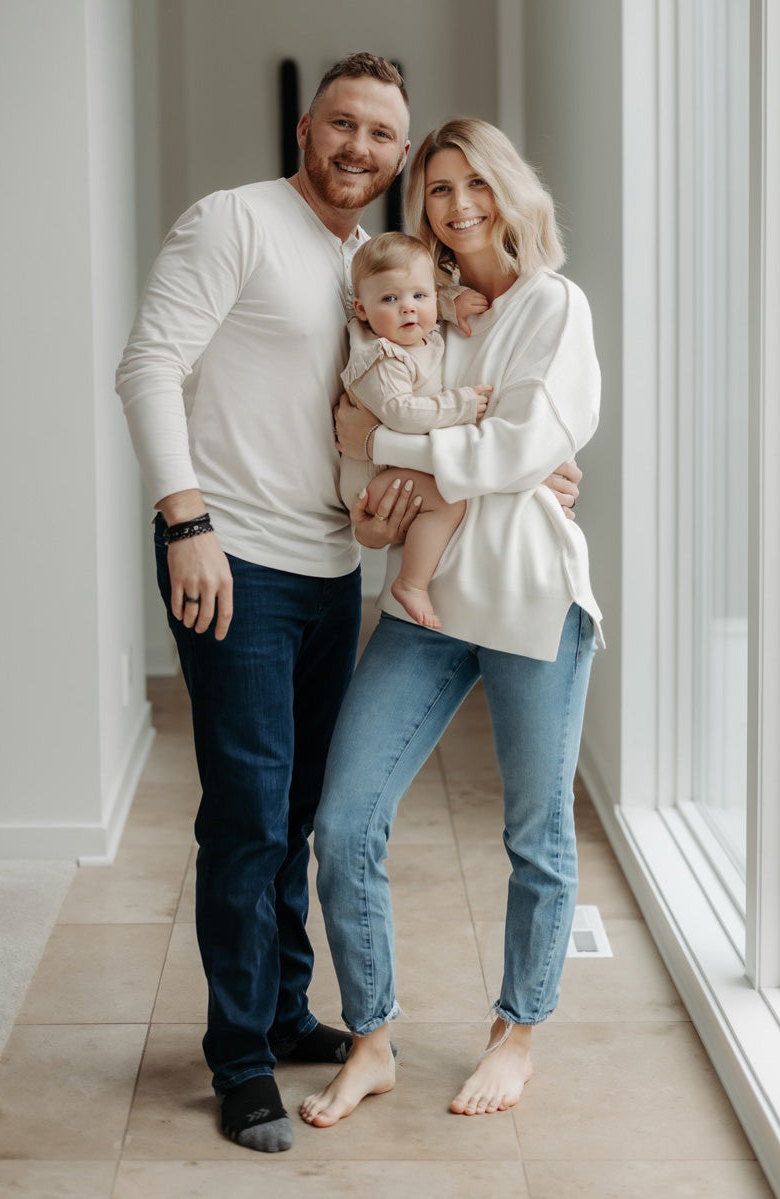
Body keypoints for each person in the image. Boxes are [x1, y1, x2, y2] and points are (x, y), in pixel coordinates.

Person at [116, 55, 581, 1154]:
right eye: (344, 125)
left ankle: (283, 1009)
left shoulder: (363, 263)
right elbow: (148, 367)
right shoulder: (229, 220)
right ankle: (238, 1056)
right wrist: (185, 521)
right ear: (302, 128)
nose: (361, 149)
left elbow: (423, 404)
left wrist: (527, 464)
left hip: (331, 571)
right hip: (232, 557)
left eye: (383, 137)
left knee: (295, 815)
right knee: (249, 813)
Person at [301, 117, 603, 1130]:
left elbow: (520, 448)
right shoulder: (422, 309)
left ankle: (515, 1030)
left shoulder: (555, 307)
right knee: (343, 820)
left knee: (536, 832)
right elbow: (384, 470)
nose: (458, 203)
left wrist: (390, 437)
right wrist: (382, 479)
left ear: (509, 190)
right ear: (417, 205)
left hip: (528, 602)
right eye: (436, 188)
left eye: (474, 182)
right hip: (424, 603)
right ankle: (371, 1037)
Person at [340, 231, 493, 628]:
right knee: (450, 502)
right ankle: (411, 583)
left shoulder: (413, 332)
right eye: (390, 300)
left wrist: (446, 301)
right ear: (361, 309)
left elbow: (417, 294)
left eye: (419, 297)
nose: (408, 309)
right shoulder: (381, 357)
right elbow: (400, 414)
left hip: (393, 468)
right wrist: (460, 405)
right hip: (373, 481)